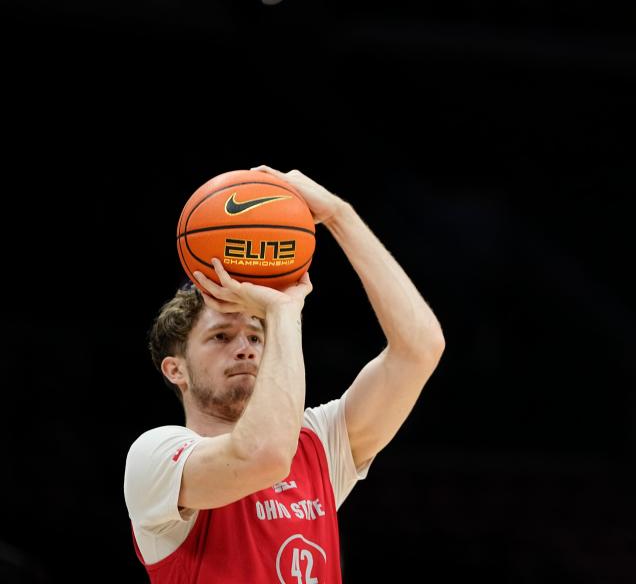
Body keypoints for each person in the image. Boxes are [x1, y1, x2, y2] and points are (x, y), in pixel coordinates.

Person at [123, 166, 446, 582]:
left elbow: (420, 348)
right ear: (175, 370)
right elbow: (264, 456)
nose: (245, 347)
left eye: (257, 338)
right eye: (221, 336)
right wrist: (280, 310)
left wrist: (339, 216)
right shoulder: (156, 456)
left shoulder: (316, 443)